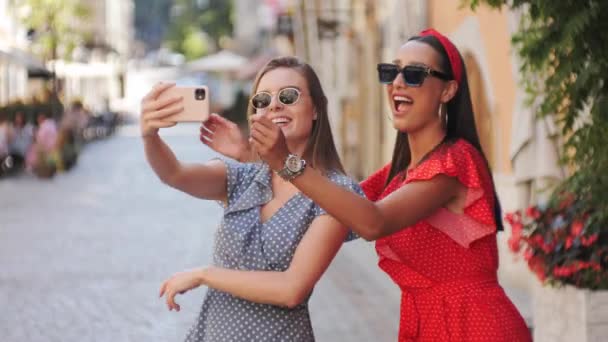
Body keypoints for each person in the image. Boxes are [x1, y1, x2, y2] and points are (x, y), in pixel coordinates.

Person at [210, 29, 532, 341]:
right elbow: (333, 202)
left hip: (475, 325)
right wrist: (251, 157)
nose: (398, 83)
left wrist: (286, 163)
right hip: (426, 321)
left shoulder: (454, 162)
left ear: (447, 91)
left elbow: (372, 221)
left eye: (416, 74)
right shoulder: (400, 173)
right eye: (392, 72)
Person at [141, 57, 363, 342]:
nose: (274, 105)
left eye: (288, 96)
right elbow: (174, 174)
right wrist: (149, 135)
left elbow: (290, 289)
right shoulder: (245, 177)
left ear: (316, 108)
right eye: (262, 99)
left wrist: (205, 275)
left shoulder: (335, 193)